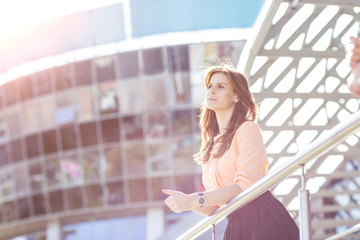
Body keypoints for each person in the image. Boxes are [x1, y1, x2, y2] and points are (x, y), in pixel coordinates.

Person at [163, 61, 299, 240]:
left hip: (263, 220)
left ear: (236, 96)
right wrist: (188, 202)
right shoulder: (211, 145)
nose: (211, 90)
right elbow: (214, 207)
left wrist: (194, 199)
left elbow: (245, 186)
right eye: (210, 86)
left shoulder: (247, 129)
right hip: (236, 227)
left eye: (220, 87)